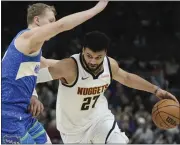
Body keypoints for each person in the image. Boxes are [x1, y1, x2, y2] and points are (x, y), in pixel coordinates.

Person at [34, 31, 178, 143]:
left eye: (98, 57)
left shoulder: (110, 65)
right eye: (89, 55)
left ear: (105, 54)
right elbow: (32, 78)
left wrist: (156, 90)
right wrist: (32, 96)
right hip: (72, 131)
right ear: (83, 50)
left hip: (99, 120)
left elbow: (127, 77)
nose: (93, 61)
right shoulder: (69, 67)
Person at [1, 1, 108, 144]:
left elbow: (39, 65)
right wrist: (97, 8)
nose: (54, 24)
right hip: (8, 117)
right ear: (37, 20)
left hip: (25, 114)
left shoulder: (29, 46)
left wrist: (32, 95)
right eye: (51, 21)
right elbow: (62, 25)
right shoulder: (27, 38)